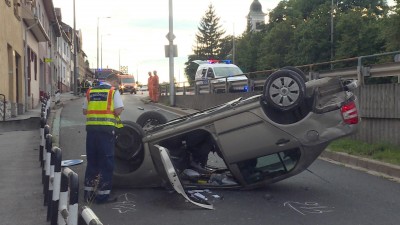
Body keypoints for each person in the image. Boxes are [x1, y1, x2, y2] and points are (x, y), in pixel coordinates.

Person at [82, 73, 124, 204]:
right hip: (106, 131)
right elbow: (118, 110)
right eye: (118, 83)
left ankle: (88, 193)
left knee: (92, 161)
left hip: (91, 131)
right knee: (106, 163)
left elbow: (84, 111)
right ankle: (102, 196)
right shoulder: (113, 92)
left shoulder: (90, 91)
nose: (118, 86)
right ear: (114, 81)